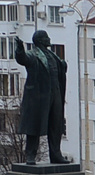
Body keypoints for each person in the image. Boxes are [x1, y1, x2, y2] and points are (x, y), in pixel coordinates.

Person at [16, 29, 69, 163]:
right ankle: (30, 155)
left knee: (56, 125)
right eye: (46, 37)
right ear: (40, 40)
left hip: (55, 93)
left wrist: (63, 65)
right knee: (34, 126)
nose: (49, 39)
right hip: (39, 96)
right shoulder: (33, 54)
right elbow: (23, 59)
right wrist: (19, 50)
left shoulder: (52, 55)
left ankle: (56, 155)